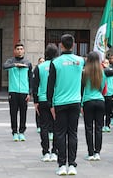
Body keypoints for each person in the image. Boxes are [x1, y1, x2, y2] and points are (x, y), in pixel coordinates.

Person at [47, 34, 85, 176]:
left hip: (60, 103)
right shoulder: (80, 61)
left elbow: (50, 86)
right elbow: (83, 82)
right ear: (73, 45)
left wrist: (50, 104)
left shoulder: (55, 63)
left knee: (60, 134)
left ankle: (62, 164)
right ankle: (73, 165)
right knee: (73, 133)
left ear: (60, 45)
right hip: (75, 102)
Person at [33, 43, 59, 162]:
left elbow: (35, 85)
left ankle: (45, 152)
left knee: (43, 126)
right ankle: (55, 152)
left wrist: (35, 101)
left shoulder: (39, 67)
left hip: (42, 99)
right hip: (56, 100)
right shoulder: (58, 65)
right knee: (57, 127)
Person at [3, 43, 32, 142]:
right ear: (14, 51)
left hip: (24, 91)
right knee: (13, 112)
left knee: (23, 113)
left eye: (21, 49)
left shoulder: (28, 63)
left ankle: (22, 132)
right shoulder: (10, 61)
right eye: (18, 49)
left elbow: (30, 78)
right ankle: (14, 132)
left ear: (24, 51)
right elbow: (4, 66)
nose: (19, 51)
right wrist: (15, 65)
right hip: (13, 91)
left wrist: (29, 92)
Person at [81, 51, 106, 161]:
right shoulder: (102, 72)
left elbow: (82, 89)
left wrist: (81, 104)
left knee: (89, 128)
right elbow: (102, 88)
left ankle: (90, 153)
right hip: (100, 100)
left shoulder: (85, 72)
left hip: (88, 101)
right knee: (99, 128)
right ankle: (98, 152)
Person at [35, 57, 45, 134]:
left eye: (43, 61)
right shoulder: (37, 70)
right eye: (40, 61)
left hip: (45, 94)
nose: (42, 63)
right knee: (38, 111)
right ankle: (38, 126)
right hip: (39, 94)